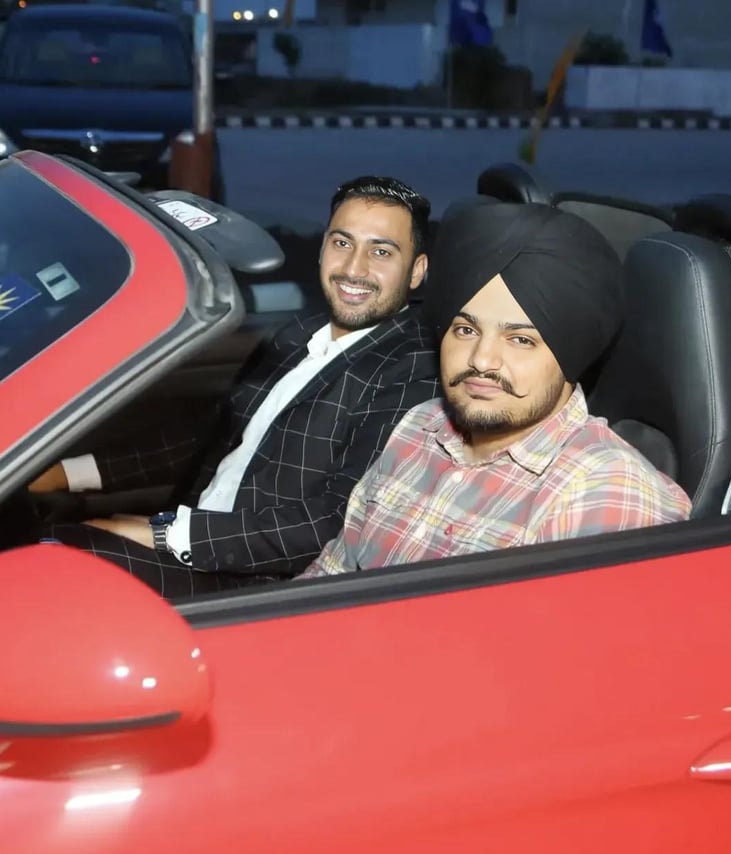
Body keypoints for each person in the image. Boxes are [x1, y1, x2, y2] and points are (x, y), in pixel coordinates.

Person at [29, 176, 441, 596]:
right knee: (31, 546)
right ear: (322, 249)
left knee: (43, 571)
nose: (354, 268)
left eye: (381, 252)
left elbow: (338, 520)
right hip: (193, 537)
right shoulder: (300, 333)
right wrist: (66, 474)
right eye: (342, 243)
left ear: (417, 271)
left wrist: (166, 534)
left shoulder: (414, 370)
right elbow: (209, 435)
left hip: (252, 586)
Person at [298, 201, 691, 578]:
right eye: (465, 330)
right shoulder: (419, 427)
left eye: (520, 340)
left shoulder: (603, 494)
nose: (482, 360)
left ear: (571, 354)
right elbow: (333, 572)